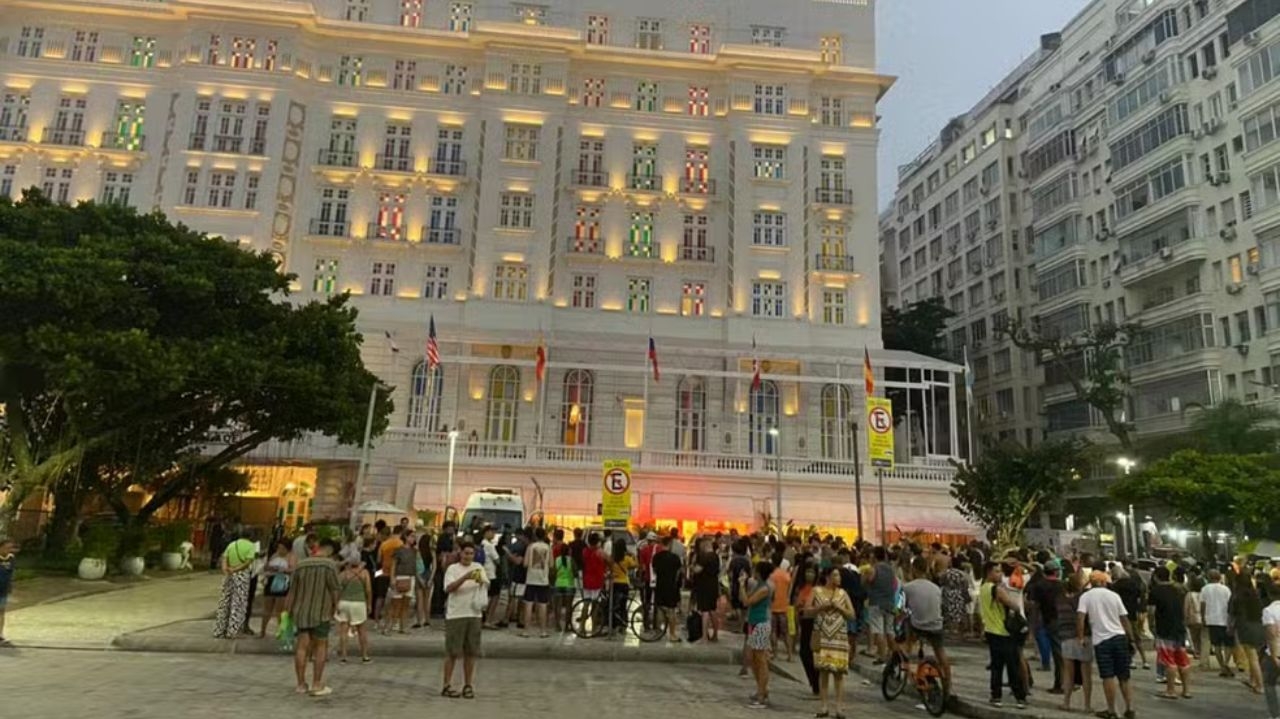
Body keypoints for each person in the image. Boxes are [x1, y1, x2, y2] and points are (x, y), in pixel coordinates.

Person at [1077, 570, 1135, 719]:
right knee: (1124, 676)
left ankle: (1111, 710)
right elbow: (1124, 618)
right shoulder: (1114, 596)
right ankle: (1129, 708)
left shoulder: (1086, 596)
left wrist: (1081, 637)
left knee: (1107, 676)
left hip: (1101, 640)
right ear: (1104, 582)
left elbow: (1080, 618)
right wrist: (1131, 638)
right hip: (1119, 637)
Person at [287, 538, 341, 696]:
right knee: (320, 647)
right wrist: (336, 607)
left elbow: (292, 591)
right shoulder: (329, 565)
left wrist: (288, 611)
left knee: (302, 647)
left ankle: (300, 684)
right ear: (330, 550)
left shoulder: (300, 565)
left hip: (301, 611)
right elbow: (335, 589)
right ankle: (316, 683)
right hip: (321, 611)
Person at [442, 540, 488, 699]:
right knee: (452, 652)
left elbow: (486, 584)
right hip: (456, 614)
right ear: (460, 553)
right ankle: (447, 684)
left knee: (471, 652)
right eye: (466, 553)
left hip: (474, 613)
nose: (468, 556)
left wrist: (480, 580)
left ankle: (468, 684)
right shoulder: (452, 569)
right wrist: (465, 577)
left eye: (471, 553)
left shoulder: (479, 567)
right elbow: (448, 588)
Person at [979, 561, 1026, 709]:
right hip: (1003, 631)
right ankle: (1019, 697)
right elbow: (1015, 606)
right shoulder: (996, 589)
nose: (1000, 574)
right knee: (1012, 666)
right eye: (997, 571)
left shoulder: (983, 588)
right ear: (989, 572)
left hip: (990, 630)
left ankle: (996, 696)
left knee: (996, 666)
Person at [808, 565, 854, 718]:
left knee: (839, 672)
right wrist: (820, 607)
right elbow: (807, 610)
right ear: (827, 577)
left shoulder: (843, 593)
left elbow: (852, 615)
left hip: (838, 635)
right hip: (822, 634)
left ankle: (839, 707)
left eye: (838, 576)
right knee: (824, 671)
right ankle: (824, 705)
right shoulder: (816, 591)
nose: (838, 578)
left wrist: (840, 607)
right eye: (835, 575)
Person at [903, 556, 950, 690]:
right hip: (936, 625)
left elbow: (900, 607)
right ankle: (948, 684)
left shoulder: (908, 587)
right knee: (940, 652)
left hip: (918, 625)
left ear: (913, 569)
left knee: (907, 637)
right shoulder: (936, 588)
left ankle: (907, 665)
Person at [1146, 565, 1191, 700]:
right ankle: (1186, 690)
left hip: (1165, 628)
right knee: (1182, 659)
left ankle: (1171, 690)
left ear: (1155, 577)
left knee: (1169, 660)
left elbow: (1151, 612)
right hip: (1179, 628)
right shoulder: (1179, 590)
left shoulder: (1156, 591)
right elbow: (1184, 609)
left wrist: (1151, 626)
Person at [1055, 571, 1092, 713]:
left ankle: (1066, 702)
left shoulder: (1060, 599)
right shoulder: (1082, 599)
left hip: (1066, 637)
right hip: (1083, 637)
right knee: (1086, 674)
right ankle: (1087, 705)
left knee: (1068, 673)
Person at [742, 560, 775, 710]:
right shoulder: (758, 586)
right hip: (754, 622)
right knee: (754, 658)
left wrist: (742, 585)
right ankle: (761, 689)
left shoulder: (765, 588)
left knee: (761, 660)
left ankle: (762, 695)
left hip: (761, 623)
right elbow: (744, 599)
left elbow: (748, 601)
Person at [212, 530, 257, 639]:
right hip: (241, 575)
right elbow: (248, 561)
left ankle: (219, 630)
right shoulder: (252, 546)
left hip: (228, 574)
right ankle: (233, 631)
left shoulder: (232, 544)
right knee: (238, 603)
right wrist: (236, 569)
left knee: (224, 601)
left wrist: (225, 569)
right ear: (251, 536)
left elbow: (224, 557)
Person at [334, 551, 372, 663]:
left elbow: (338, 590)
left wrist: (336, 604)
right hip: (359, 603)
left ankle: (344, 655)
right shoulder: (364, 573)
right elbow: (368, 590)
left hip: (344, 602)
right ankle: (365, 655)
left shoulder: (343, 574)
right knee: (362, 630)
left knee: (343, 630)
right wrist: (369, 604)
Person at [1232, 570, 1266, 694]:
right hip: (1259, 626)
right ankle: (1253, 680)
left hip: (1245, 627)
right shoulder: (1256, 595)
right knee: (1256, 655)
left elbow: (1233, 613)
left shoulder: (1238, 596)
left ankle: (1259, 685)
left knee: (1252, 657)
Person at [865, 546, 897, 665]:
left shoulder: (873, 569)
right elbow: (894, 585)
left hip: (876, 602)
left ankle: (882, 656)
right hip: (890, 602)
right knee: (890, 630)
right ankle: (894, 655)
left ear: (873, 556)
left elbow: (867, 581)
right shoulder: (891, 569)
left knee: (878, 630)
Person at [1201, 569, 1235, 677]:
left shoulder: (1205, 589)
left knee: (1217, 645)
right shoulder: (1226, 589)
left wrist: (1203, 617)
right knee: (1229, 644)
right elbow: (1230, 604)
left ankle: (1222, 666)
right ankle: (1226, 663)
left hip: (1212, 619)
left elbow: (1203, 604)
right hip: (1225, 619)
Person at [258, 539, 294, 637]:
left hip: (282, 582)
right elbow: (266, 566)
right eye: (279, 548)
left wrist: (283, 570)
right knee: (267, 609)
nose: (280, 550)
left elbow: (294, 569)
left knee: (280, 610)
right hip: (270, 581)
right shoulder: (274, 555)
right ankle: (262, 631)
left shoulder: (291, 557)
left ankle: (281, 631)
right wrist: (269, 569)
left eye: (282, 548)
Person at [794, 563, 820, 696]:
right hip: (804, 622)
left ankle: (817, 684)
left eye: (812, 572)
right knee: (804, 653)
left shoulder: (817, 589)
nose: (809, 574)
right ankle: (814, 682)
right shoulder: (802, 588)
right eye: (807, 572)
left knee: (809, 653)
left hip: (813, 623)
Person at [521, 527, 552, 638]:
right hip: (543, 580)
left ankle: (526, 631)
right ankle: (543, 631)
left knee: (528, 605)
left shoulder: (530, 547)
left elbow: (525, 563)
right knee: (543, 605)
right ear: (544, 536)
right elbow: (551, 564)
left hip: (531, 579)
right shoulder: (548, 547)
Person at [652, 536, 683, 642]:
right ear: (670, 544)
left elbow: (655, 570)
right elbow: (679, 572)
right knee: (671, 610)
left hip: (660, 585)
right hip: (671, 586)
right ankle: (672, 634)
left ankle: (659, 632)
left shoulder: (656, 557)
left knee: (660, 609)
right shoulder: (675, 557)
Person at [385, 529, 417, 634]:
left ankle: (403, 626)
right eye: (411, 536)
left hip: (410, 577)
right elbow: (393, 565)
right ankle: (388, 626)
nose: (413, 538)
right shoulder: (399, 550)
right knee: (395, 604)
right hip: (400, 577)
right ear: (406, 537)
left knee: (406, 604)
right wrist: (392, 578)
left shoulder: (414, 551)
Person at [692, 538, 721, 642]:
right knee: (713, 610)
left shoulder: (705, 557)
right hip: (713, 585)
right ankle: (715, 635)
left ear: (704, 545)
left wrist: (692, 566)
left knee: (705, 611)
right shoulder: (716, 556)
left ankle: (704, 637)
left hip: (704, 586)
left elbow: (697, 570)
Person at [607, 538, 636, 634]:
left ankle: (613, 625)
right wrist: (633, 556)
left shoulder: (612, 558)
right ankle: (623, 626)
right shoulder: (627, 558)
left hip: (614, 583)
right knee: (623, 605)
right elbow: (635, 565)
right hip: (624, 583)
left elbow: (608, 568)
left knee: (613, 605)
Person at [1261, 584, 1280, 719]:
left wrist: (1274, 655)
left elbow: (1271, 634)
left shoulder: (1269, 611)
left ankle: (1276, 714)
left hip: (1276, 651)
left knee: (1269, 683)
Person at [769, 560, 794, 660]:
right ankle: (790, 655)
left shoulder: (772, 576)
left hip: (773, 606)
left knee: (773, 631)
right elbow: (790, 590)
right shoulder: (787, 576)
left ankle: (775, 653)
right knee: (786, 632)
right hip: (784, 606)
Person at [552, 544, 576, 633]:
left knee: (557, 606)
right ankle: (566, 626)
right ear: (568, 551)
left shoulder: (557, 560)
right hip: (569, 584)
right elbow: (576, 571)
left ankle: (557, 625)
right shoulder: (571, 560)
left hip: (558, 583)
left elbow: (553, 572)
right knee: (568, 606)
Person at [414, 533, 435, 629]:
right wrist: (431, 578)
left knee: (420, 600)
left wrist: (419, 578)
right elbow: (434, 567)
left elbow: (415, 567)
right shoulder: (432, 552)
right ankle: (427, 620)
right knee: (427, 600)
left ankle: (419, 620)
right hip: (428, 574)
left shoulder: (417, 552)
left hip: (420, 575)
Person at [0, 538, 15, 646]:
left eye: (10, 548)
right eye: (6, 548)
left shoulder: (11, 559)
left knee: (1, 612)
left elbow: (11, 573)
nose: (9, 550)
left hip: (3, 590)